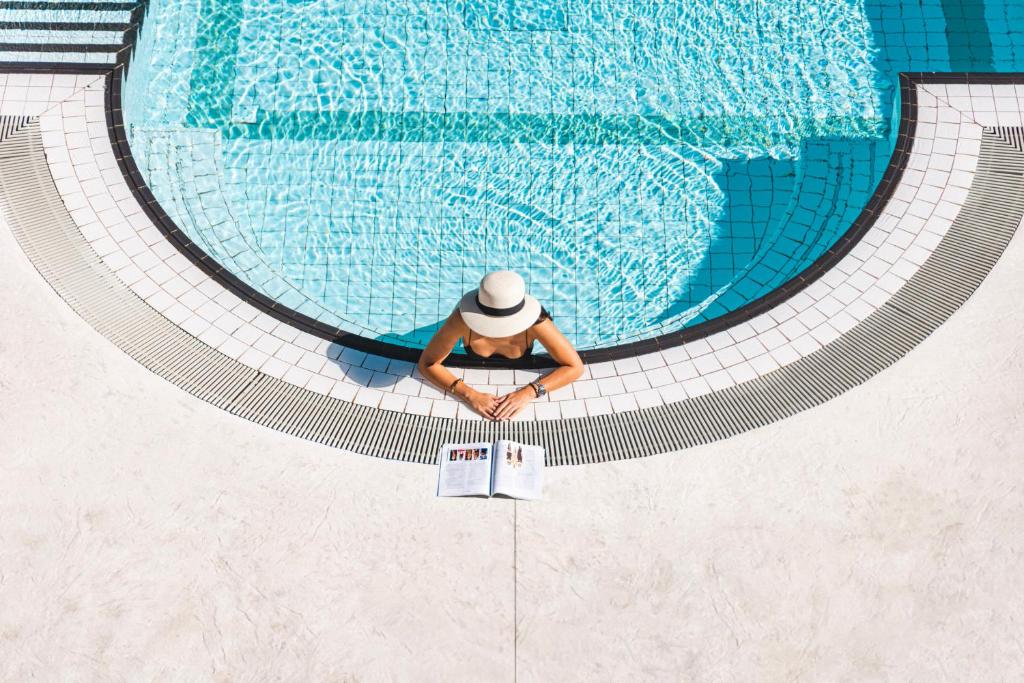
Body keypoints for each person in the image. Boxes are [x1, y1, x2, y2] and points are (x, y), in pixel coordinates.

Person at [418, 271, 584, 420]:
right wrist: (469, 394)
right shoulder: (462, 320)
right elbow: (427, 363)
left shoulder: (535, 323)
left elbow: (575, 366)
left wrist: (529, 392)